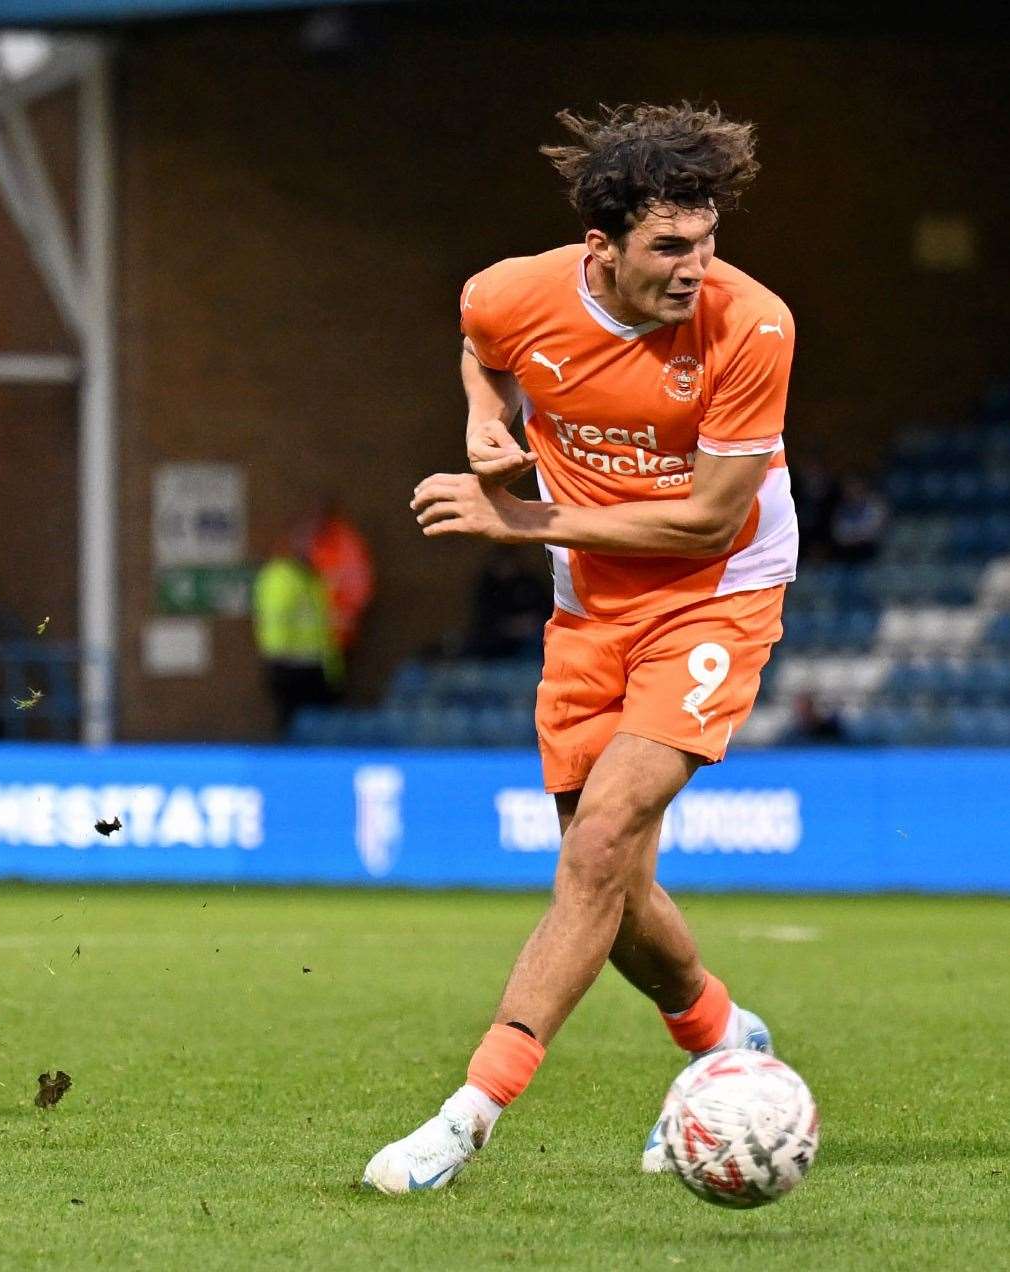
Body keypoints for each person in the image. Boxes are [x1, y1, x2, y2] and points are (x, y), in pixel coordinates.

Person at [364, 103, 796, 1194]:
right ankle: (724, 1038)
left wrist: (514, 519)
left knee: (598, 841)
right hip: (589, 601)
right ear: (599, 248)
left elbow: (703, 522)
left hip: (713, 594)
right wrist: (483, 412)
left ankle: (466, 1117)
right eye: (667, 247)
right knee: (605, 885)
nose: (695, 268)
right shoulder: (514, 292)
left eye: (706, 243)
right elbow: (481, 339)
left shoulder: (753, 327)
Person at [253, 522, 342, 732]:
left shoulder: (311, 578)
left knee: (319, 730)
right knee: (296, 727)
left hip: (317, 666)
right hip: (291, 667)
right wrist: (278, 662)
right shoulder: (281, 577)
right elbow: (276, 621)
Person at [305, 496, 374, 653]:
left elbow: (360, 586)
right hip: (310, 637)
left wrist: (347, 615)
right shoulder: (310, 541)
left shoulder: (346, 544)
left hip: (338, 631)